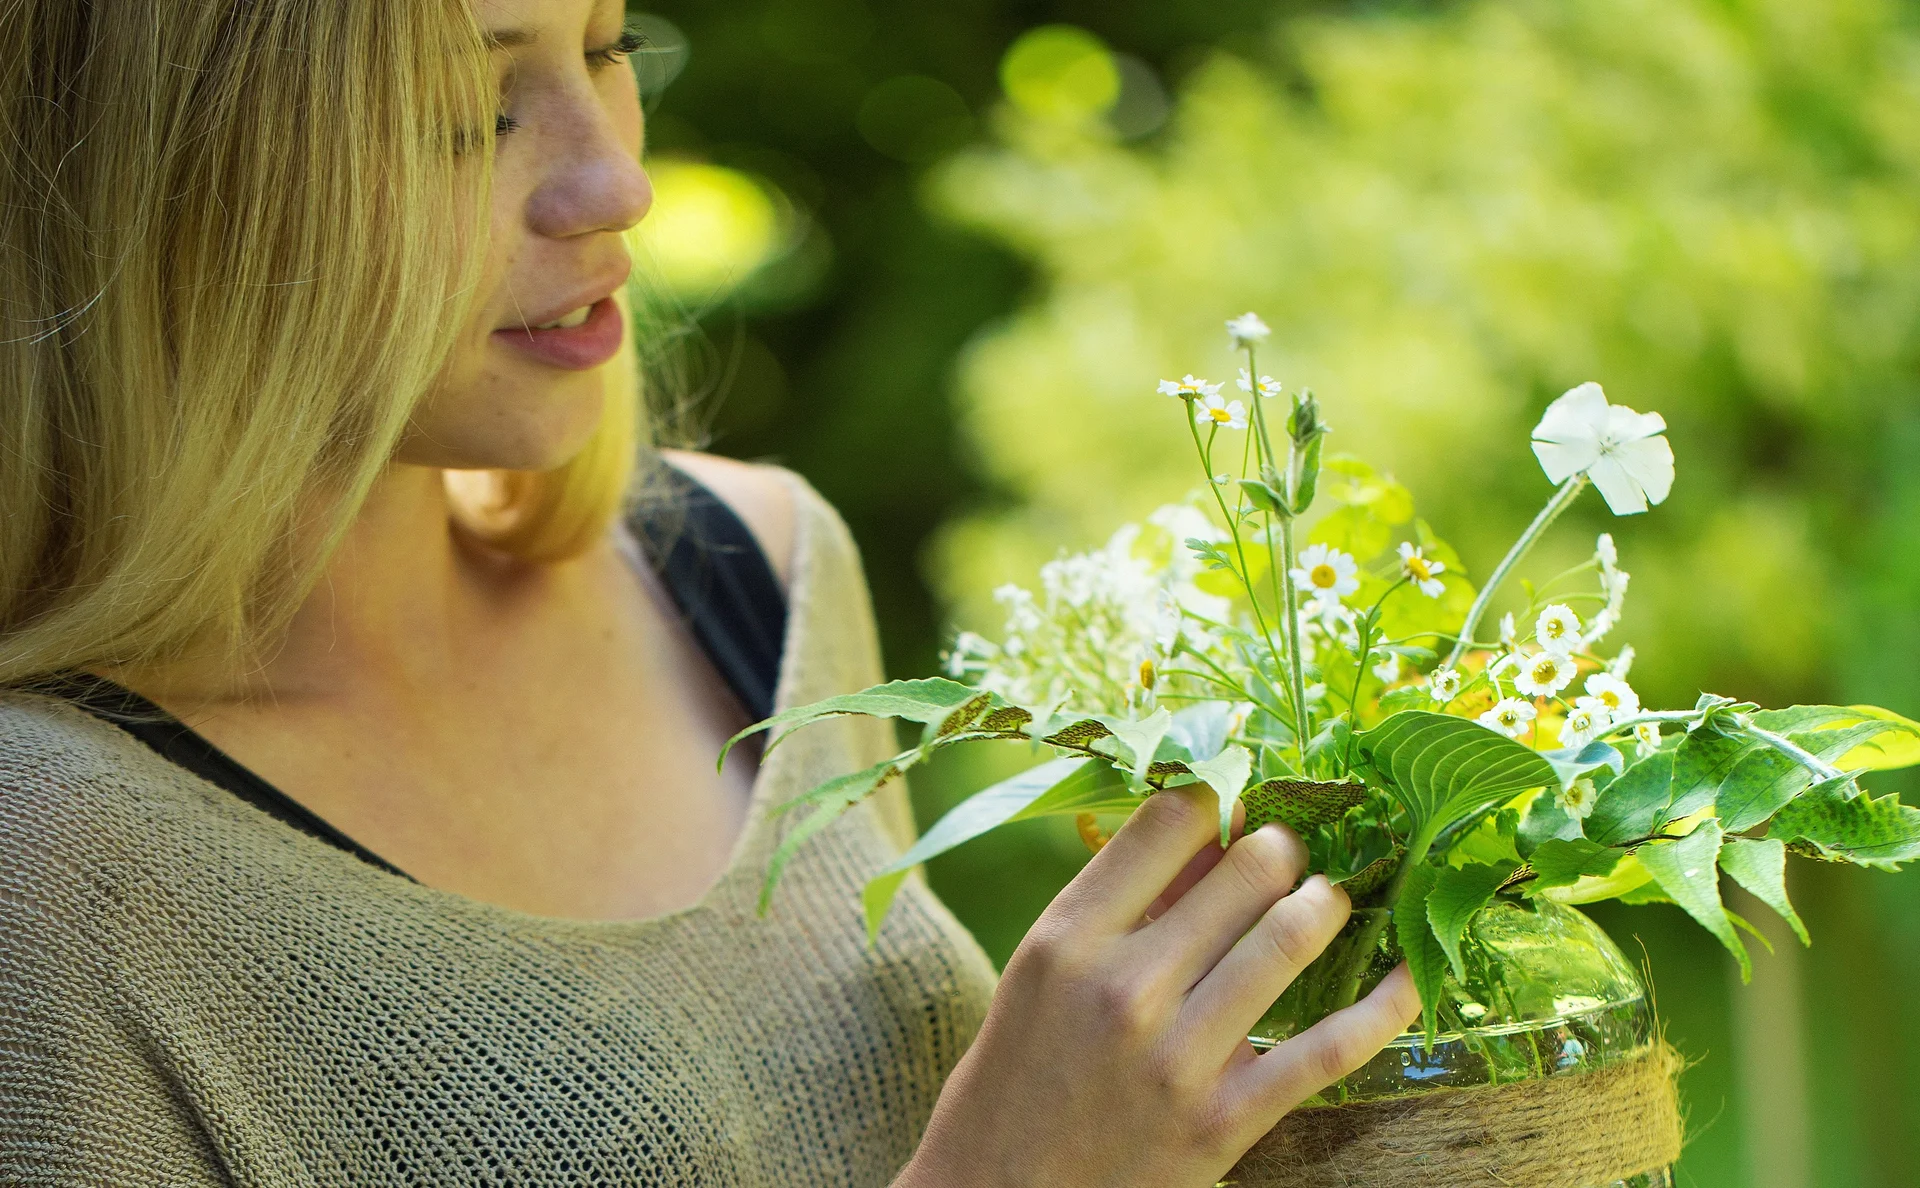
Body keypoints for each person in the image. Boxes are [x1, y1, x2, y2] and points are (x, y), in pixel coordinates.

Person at [0, 1, 1419, 1183]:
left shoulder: (762, 573)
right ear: (174, 179)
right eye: (469, 111)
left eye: (608, 48)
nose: (617, 182)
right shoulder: (51, 868)